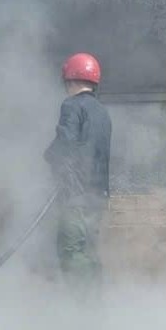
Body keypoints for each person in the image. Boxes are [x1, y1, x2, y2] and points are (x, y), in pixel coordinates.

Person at [44, 53, 112, 293]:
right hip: (98, 196)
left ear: (70, 80)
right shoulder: (102, 112)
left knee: (71, 251)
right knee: (90, 251)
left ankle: (82, 312)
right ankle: (96, 310)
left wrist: (50, 157)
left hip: (77, 195)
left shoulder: (72, 105)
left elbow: (66, 143)